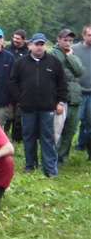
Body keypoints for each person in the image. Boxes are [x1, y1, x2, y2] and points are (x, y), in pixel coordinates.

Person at [9, 33, 67, 177]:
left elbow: (62, 84)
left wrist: (60, 101)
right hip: (27, 108)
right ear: (30, 45)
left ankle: (50, 170)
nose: (39, 47)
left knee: (48, 138)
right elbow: (12, 82)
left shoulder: (54, 62)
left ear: (45, 45)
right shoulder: (21, 63)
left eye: (42, 44)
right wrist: (20, 99)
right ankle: (30, 166)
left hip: (48, 108)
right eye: (36, 44)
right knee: (29, 137)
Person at [51, 29, 84, 164]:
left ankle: (62, 157)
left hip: (75, 98)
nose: (68, 43)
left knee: (71, 130)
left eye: (70, 41)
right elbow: (61, 73)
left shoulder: (72, 54)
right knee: (56, 131)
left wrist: (70, 57)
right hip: (60, 98)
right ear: (58, 39)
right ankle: (52, 157)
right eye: (65, 40)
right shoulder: (53, 54)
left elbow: (80, 71)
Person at [73, 24, 91, 160]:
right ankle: (77, 145)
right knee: (74, 121)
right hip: (78, 92)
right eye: (89, 35)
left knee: (88, 122)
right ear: (84, 35)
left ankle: (83, 145)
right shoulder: (74, 50)